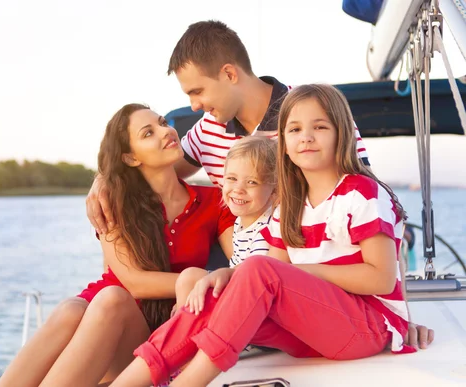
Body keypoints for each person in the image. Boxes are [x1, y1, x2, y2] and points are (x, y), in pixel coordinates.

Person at [86, 19, 433, 350]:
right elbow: (150, 168)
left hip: (308, 294)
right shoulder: (208, 130)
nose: (194, 105)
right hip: (241, 291)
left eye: (198, 91)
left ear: (229, 74)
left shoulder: (311, 118)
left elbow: (379, 218)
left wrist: (398, 316)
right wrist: (104, 180)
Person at [109, 84, 418, 387]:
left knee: (257, 270)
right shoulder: (289, 204)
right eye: (294, 129)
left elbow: (381, 279)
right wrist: (228, 276)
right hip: (310, 332)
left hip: (369, 327)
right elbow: (273, 279)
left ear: (342, 133)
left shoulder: (361, 192)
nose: (306, 137)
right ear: (282, 140)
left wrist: (290, 272)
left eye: (320, 127)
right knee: (212, 297)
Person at [0, 104, 235, 387]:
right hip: (104, 311)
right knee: (72, 309)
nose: (166, 131)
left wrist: (206, 282)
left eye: (161, 123)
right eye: (148, 133)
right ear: (131, 158)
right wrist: (193, 280)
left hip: (147, 327)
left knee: (112, 299)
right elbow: (134, 283)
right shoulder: (113, 201)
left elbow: (241, 259)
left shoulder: (214, 201)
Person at [175, 135, 277, 312]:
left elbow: (254, 273)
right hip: (240, 291)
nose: (238, 189)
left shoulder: (269, 226)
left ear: (275, 191)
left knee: (190, 277)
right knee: (189, 278)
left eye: (252, 182)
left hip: (255, 301)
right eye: (231, 179)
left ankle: (183, 328)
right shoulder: (239, 223)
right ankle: (183, 326)